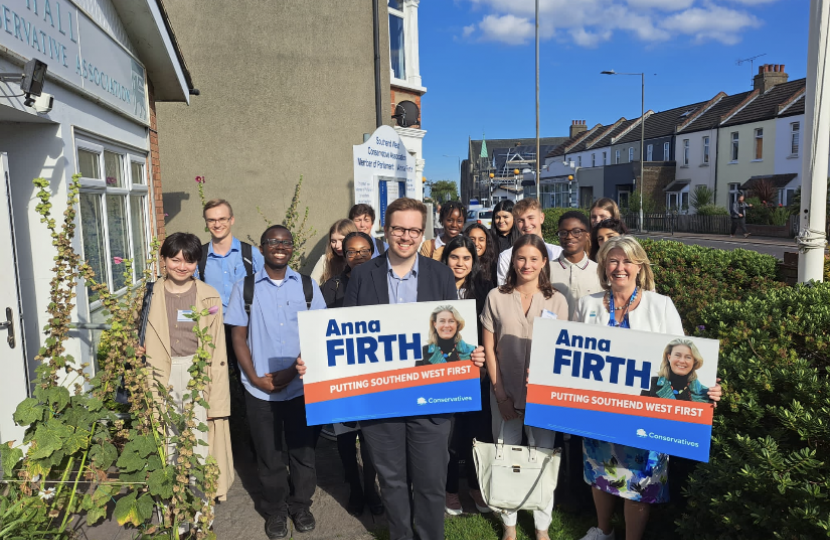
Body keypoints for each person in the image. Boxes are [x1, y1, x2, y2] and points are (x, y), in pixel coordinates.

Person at [298, 197, 487, 540]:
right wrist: (315, 361)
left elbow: (449, 331)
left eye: (414, 230)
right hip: (380, 401)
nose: (406, 236)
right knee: (394, 483)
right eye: (399, 228)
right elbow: (347, 332)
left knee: (430, 483)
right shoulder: (363, 274)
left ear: (422, 232)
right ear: (386, 229)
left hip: (430, 401)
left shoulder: (441, 274)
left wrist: (469, 355)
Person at [574, 236, 722, 540]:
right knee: (600, 470)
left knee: (639, 480)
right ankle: (603, 531)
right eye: (613, 261)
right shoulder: (587, 305)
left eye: (627, 261)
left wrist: (704, 390)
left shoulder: (660, 305)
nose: (620, 267)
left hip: (646, 413)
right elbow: (573, 356)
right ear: (603, 266)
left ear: (639, 266)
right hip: (600, 411)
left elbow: (684, 358)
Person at [225, 225, 327, 539]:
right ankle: (276, 511)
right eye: (272, 242)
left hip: (301, 387)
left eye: (285, 242)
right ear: (262, 247)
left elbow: (318, 333)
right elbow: (238, 338)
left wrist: (293, 371)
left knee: (303, 453)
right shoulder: (245, 288)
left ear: (292, 248)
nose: (279, 247)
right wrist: (255, 377)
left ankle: (300, 506)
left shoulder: (308, 287)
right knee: (268, 455)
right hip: (260, 390)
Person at [481, 234, 569, 540]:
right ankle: (510, 525)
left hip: (543, 399)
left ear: (544, 262)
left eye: (534, 258)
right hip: (504, 394)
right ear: (512, 261)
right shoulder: (496, 297)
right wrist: (500, 394)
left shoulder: (557, 300)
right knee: (507, 459)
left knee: (543, 459)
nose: (527, 265)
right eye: (521, 258)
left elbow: (563, 353)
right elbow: (489, 349)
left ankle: (541, 528)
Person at [140, 233, 235, 502]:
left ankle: (200, 510)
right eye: (175, 259)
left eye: (189, 261)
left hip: (198, 373)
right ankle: (174, 510)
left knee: (199, 442)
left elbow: (217, 348)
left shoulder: (209, 297)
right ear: (164, 260)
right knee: (168, 439)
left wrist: (217, 396)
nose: (182, 266)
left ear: (197, 263)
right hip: (161, 372)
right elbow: (135, 336)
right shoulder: (149, 294)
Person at [320, 231, 384, 517]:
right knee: (346, 437)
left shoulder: (386, 285)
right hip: (343, 375)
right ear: (342, 255)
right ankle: (355, 490)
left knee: (372, 436)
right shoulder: (330, 288)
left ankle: (371, 488)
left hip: (377, 375)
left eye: (364, 251)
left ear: (373, 252)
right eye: (351, 252)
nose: (358, 256)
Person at [439, 235, 493, 515]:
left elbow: (491, 332)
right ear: (445, 259)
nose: (460, 263)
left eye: (466, 258)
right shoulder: (432, 290)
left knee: (477, 435)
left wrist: (484, 356)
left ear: (474, 262)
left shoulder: (485, 290)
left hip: (477, 375)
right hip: (441, 377)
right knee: (449, 437)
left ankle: (475, 487)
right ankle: (450, 491)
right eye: (454, 257)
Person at [197, 199, 265, 375]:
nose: (217, 224)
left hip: (246, 327)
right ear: (206, 223)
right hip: (213, 329)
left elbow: (265, 288)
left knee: (251, 376)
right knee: (215, 380)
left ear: (231, 220)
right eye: (211, 220)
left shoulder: (251, 254)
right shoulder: (200, 257)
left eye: (222, 219)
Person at [496, 198, 563, 286]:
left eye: (531, 218)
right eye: (521, 220)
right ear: (516, 223)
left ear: (541, 218)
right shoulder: (506, 257)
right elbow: (504, 292)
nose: (526, 225)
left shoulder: (558, 253)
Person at [550, 211, 602, 320]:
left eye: (576, 231)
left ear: (587, 235)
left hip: (588, 335)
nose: (569, 236)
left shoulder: (599, 271)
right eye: (563, 232)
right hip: (555, 333)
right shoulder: (547, 269)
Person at [642, 339, 710, 402]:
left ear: (694, 361)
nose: (682, 361)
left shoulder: (704, 393)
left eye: (688, 357)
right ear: (669, 357)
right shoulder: (651, 385)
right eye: (677, 355)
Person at [310, 219, 358, 285]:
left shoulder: (361, 261)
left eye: (342, 240)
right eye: (333, 241)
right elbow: (311, 288)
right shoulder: (325, 261)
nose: (337, 246)